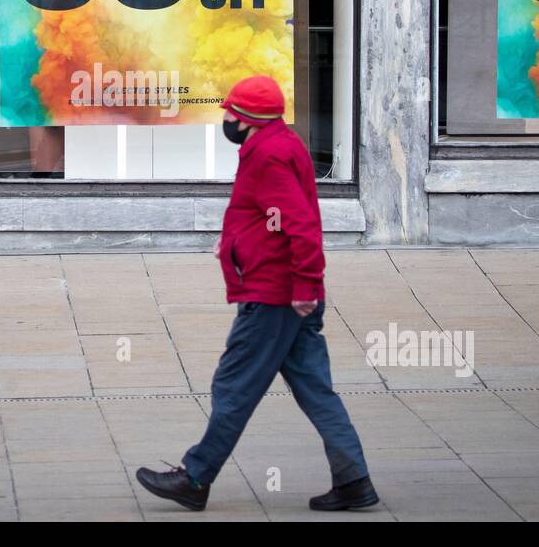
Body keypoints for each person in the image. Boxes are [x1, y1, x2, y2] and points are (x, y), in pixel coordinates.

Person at [136, 75, 377, 513]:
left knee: (234, 386)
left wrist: (305, 285)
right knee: (316, 390)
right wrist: (232, 243)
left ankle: (195, 477)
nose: (225, 118)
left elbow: (298, 223)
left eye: (231, 112)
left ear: (246, 120)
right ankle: (354, 480)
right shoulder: (279, 143)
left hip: (275, 298)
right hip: (285, 292)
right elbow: (268, 216)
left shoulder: (266, 154)